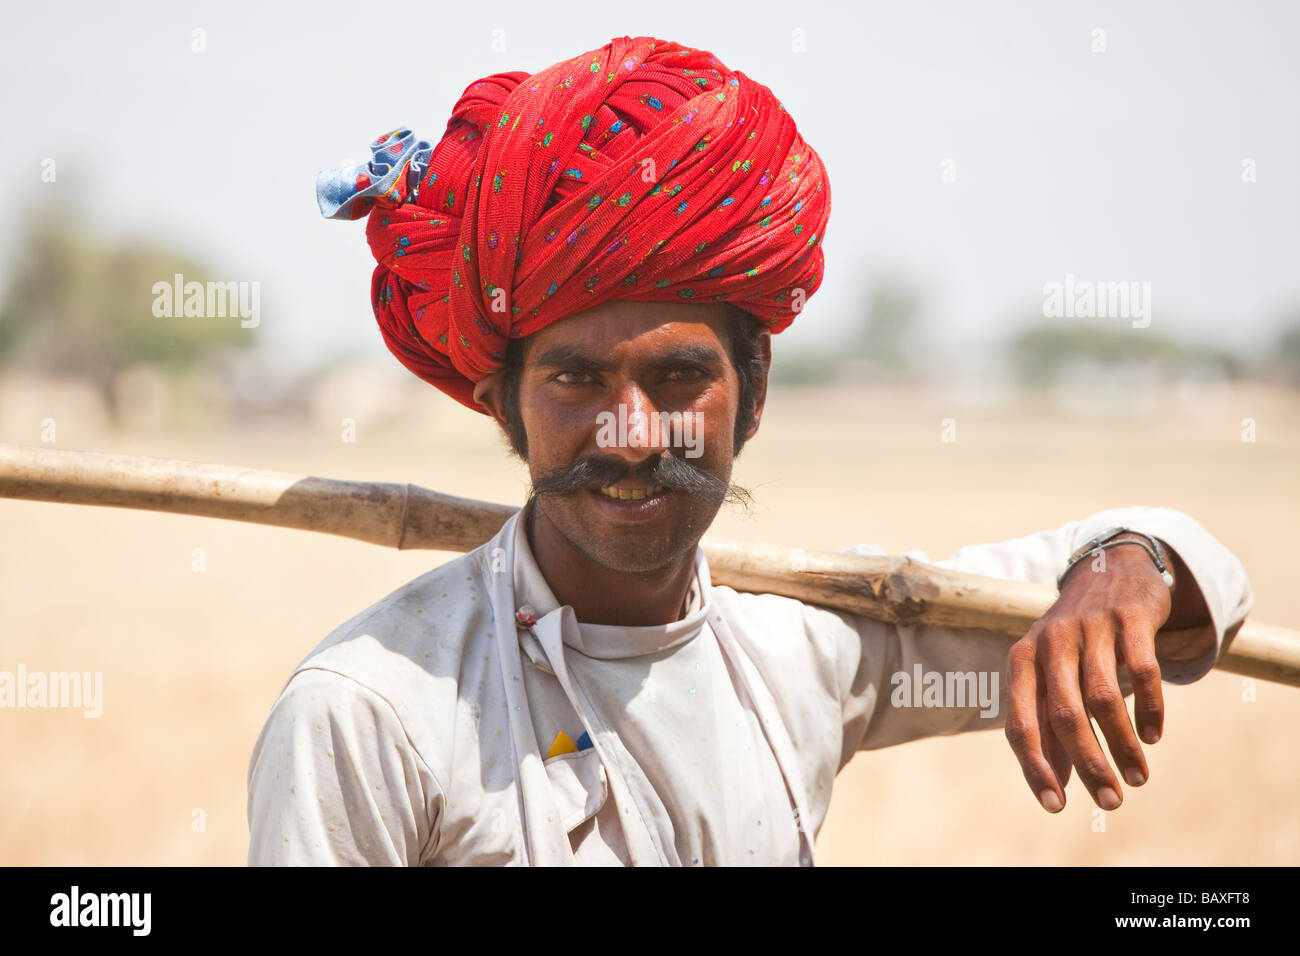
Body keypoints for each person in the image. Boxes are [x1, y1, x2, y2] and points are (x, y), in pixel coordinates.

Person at [246, 36, 1253, 866]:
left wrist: (1130, 564)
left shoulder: (804, 650)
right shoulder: (371, 711)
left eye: (679, 377)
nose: (632, 433)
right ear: (500, 401)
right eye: (575, 380)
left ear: (755, 392)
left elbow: (1162, 556)